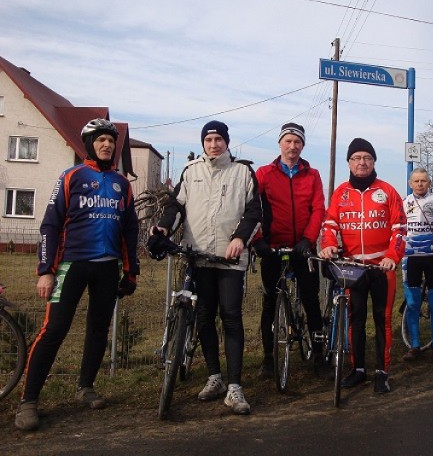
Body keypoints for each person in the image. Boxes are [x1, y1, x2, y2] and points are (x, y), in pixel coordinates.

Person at [15, 119, 139, 431]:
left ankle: (86, 386)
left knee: (98, 329)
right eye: (101, 140)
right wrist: (46, 270)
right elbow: (50, 224)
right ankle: (29, 401)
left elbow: (130, 230)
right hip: (71, 265)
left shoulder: (122, 184)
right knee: (54, 330)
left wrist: (131, 271)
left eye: (111, 141)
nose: (107, 145)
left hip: (107, 268)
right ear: (89, 144)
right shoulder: (71, 176)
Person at [149, 121, 261, 415]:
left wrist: (239, 238)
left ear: (227, 142)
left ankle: (235, 386)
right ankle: (215, 377)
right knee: (204, 317)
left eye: (219, 139)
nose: (214, 144)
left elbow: (255, 212)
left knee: (231, 317)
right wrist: (163, 228)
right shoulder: (191, 172)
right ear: (203, 143)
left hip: (230, 260)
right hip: (198, 256)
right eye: (209, 139)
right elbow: (177, 207)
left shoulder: (243, 172)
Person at [318, 138, 406, 393]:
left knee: (382, 319)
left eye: (367, 158)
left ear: (374, 161)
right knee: (355, 319)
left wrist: (393, 256)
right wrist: (329, 244)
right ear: (349, 162)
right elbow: (330, 224)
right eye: (356, 158)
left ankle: (382, 372)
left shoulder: (388, 191)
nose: (362, 162)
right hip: (352, 268)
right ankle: (358, 370)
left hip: (382, 268)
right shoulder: (340, 193)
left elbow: (399, 227)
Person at [251, 123, 326, 377]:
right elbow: (252, 207)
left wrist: (308, 239)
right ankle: (268, 358)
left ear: (302, 145)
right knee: (270, 301)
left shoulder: (312, 174)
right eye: (288, 141)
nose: (292, 146)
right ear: (280, 143)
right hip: (272, 247)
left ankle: (318, 355)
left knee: (310, 300)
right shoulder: (264, 173)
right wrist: (257, 240)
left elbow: (318, 209)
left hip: (303, 248)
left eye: (297, 142)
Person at [402, 168, 433, 364]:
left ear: (429, 182)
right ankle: (414, 345)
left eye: (423, 181)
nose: (420, 184)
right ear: (410, 183)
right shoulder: (403, 203)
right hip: (411, 257)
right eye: (416, 181)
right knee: (413, 304)